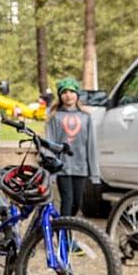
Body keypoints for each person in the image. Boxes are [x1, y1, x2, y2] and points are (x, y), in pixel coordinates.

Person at [46, 77, 100, 216]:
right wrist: (51, 170)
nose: (68, 95)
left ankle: (66, 230)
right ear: (60, 96)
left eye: (71, 91)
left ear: (77, 94)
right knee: (67, 200)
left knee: (77, 203)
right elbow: (50, 143)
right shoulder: (55, 117)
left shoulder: (86, 117)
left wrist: (94, 173)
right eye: (64, 92)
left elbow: (91, 146)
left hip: (80, 167)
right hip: (62, 167)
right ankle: (65, 235)